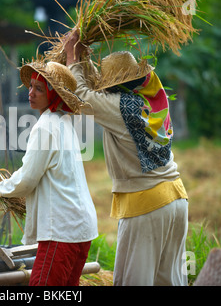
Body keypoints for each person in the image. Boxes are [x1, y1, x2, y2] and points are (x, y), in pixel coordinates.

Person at [63, 30, 189, 286]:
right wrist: (85, 61)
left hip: (146, 205)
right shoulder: (150, 98)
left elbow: (82, 97)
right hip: (176, 198)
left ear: (113, 87)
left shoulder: (119, 107)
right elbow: (96, 92)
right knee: (169, 281)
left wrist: (72, 59)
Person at [0, 60, 98, 286]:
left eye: (39, 89)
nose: (31, 93)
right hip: (80, 229)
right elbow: (35, 169)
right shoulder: (64, 122)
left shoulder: (46, 126)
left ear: (54, 94)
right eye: (30, 87)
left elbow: (28, 179)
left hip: (62, 231)